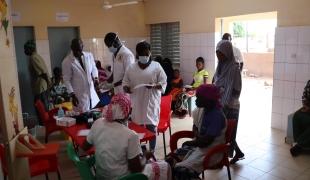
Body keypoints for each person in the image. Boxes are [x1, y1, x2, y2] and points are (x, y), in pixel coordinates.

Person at [168, 84, 227, 179]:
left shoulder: (216, 116)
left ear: (209, 100)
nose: (196, 99)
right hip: (198, 146)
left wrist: (190, 142)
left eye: (199, 98)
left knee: (182, 171)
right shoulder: (201, 110)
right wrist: (197, 136)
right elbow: (195, 128)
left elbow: (205, 142)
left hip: (210, 151)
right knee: (169, 161)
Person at [82, 94, 143, 179]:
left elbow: (85, 147)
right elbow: (136, 170)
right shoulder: (131, 136)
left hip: (100, 177)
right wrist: (145, 159)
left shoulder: (98, 123)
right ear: (129, 111)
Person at [123, 41, 167, 152]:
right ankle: (140, 150)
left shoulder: (156, 66)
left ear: (150, 53)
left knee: (151, 127)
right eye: (142, 55)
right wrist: (126, 88)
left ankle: (152, 151)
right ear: (137, 55)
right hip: (137, 102)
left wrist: (155, 86)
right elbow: (125, 82)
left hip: (151, 102)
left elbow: (164, 82)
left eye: (147, 54)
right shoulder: (131, 68)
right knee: (137, 129)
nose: (145, 57)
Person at [213, 40, 243, 164]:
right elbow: (215, 80)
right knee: (222, 133)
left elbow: (237, 89)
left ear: (227, 53)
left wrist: (225, 94)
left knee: (229, 134)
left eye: (220, 53)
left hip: (231, 106)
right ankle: (232, 154)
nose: (218, 56)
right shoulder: (220, 66)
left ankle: (224, 158)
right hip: (219, 103)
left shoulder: (235, 68)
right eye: (217, 53)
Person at [62, 38, 100, 112]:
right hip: (79, 95)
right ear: (72, 48)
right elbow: (66, 80)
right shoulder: (67, 61)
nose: (79, 52)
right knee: (84, 117)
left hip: (91, 92)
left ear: (83, 46)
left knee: (94, 115)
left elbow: (94, 69)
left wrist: (95, 78)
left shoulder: (89, 56)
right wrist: (72, 95)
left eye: (80, 50)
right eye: (76, 50)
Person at [24, 40, 51, 112]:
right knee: (42, 108)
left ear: (30, 49)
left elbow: (43, 73)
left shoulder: (33, 58)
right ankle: (43, 123)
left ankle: (43, 123)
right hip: (41, 87)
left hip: (40, 87)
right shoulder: (36, 56)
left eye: (25, 49)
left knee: (41, 109)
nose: (24, 51)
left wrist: (48, 83)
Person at [290, 80, 310, 156]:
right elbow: (304, 95)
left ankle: (298, 144)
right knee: (296, 116)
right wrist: (306, 106)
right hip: (309, 108)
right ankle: (299, 143)